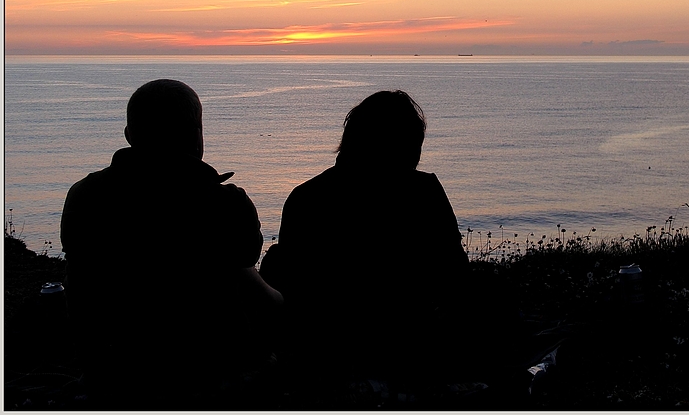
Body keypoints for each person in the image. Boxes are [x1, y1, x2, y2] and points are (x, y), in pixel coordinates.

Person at [60, 79, 282, 408]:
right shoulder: (225, 203)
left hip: (112, 367)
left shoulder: (84, 195)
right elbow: (246, 263)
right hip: (206, 371)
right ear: (196, 136)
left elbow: (81, 283)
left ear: (129, 135)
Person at [261, 90, 469, 393]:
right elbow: (456, 278)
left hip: (326, 354)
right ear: (408, 146)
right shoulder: (424, 193)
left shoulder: (306, 197)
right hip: (409, 349)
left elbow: (294, 290)